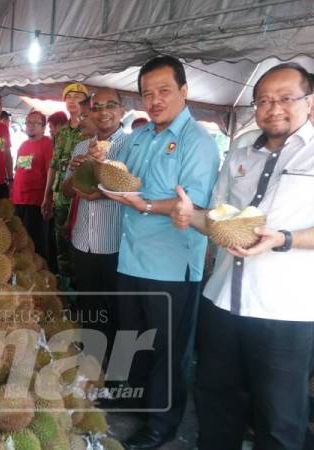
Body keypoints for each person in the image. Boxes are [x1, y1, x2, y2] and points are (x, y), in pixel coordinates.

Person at [171, 62, 314, 450]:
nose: (273, 108)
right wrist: (190, 216)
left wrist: (284, 238)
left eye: (286, 98)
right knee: (215, 401)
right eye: (264, 100)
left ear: (310, 102)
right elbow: (217, 217)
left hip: (285, 313)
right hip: (222, 302)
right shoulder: (239, 149)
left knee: (280, 419)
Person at [92, 55, 220, 449]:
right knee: (135, 337)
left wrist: (145, 205)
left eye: (164, 90)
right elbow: (117, 175)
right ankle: (135, 398)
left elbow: (192, 208)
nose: (155, 100)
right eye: (147, 93)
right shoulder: (139, 138)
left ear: (184, 91)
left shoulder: (198, 143)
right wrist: (100, 164)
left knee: (168, 350)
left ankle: (162, 425)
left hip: (171, 266)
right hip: (131, 257)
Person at [60, 88, 127, 386]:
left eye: (109, 106)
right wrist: (77, 174)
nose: (103, 112)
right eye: (96, 107)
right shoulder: (80, 148)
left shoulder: (132, 146)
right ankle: (92, 370)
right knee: (90, 309)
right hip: (83, 239)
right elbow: (65, 190)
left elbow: (136, 190)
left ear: (122, 110)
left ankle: (116, 377)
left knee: (116, 310)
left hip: (116, 243)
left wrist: (101, 187)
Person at [42, 82, 89, 288]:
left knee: (80, 245)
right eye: (68, 97)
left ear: (86, 103)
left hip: (82, 199)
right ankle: (67, 290)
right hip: (61, 198)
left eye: (78, 97)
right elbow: (53, 166)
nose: (72, 100)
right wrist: (47, 196)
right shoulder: (60, 134)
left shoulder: (89, 131)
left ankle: (81, 290)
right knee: (61, 243)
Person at [11, 111, 53, 260]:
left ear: (43, 127)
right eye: (28, 122)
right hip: (19, 199)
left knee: (37, 243)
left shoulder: (47, 144)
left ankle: (43, 277)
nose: (31, 126)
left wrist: (47, 198)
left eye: (36, 123)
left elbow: (51, 171)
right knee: (20, 240)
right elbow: (19, 170)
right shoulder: (23, 145)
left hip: (36, 201)